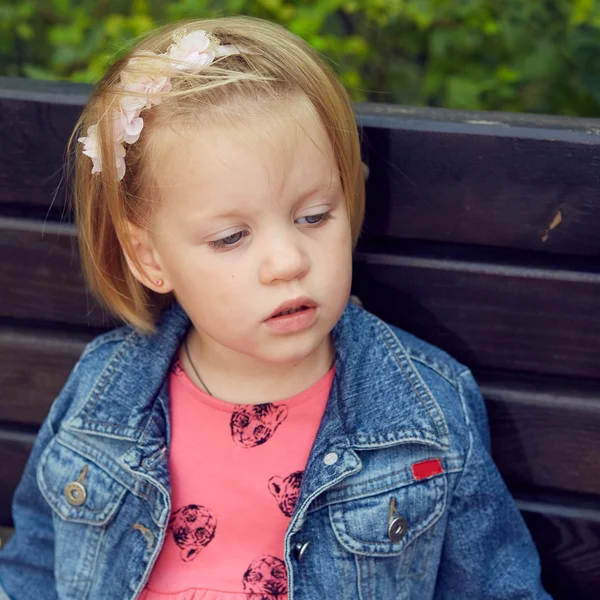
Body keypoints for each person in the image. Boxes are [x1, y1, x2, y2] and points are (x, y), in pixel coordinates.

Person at [0, 15, 552, 600]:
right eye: (231, 238)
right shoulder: (104, 392)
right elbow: (35, 564)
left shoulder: (425, 414)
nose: (288, 261)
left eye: (314, 217)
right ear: (149, 256)